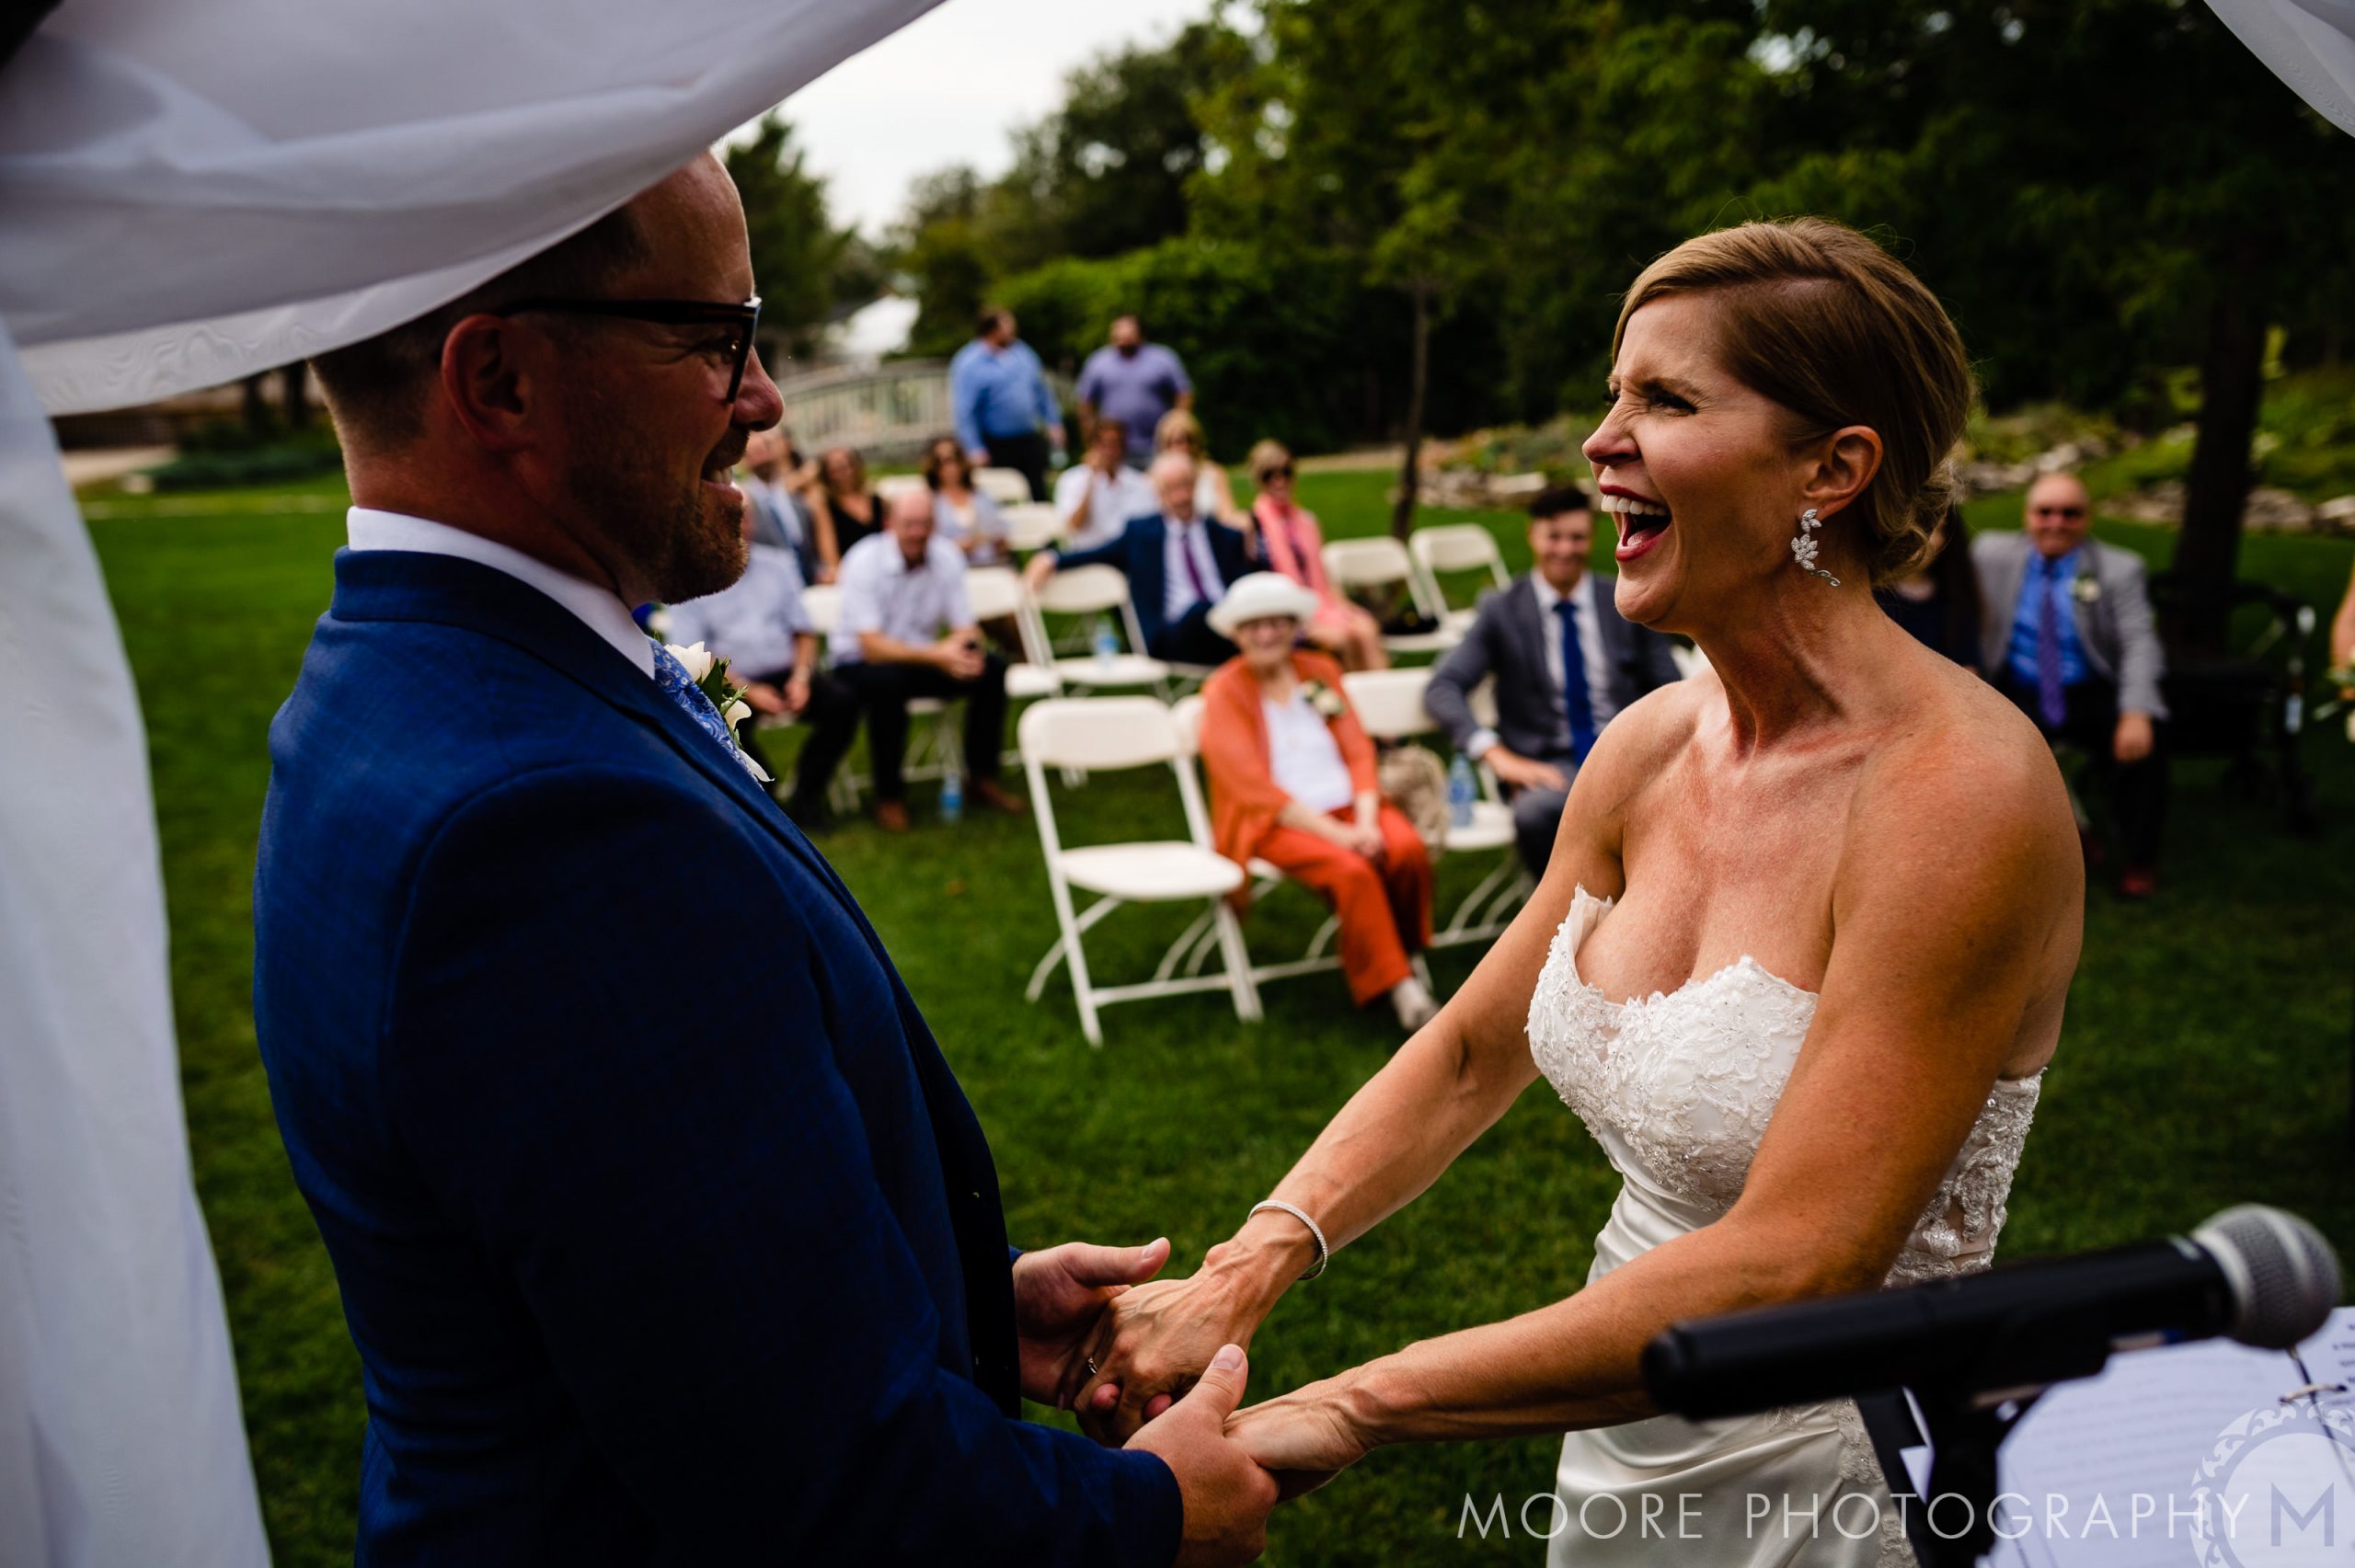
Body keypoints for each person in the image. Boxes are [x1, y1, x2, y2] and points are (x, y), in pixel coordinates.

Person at [257, 154, 1275, 1566]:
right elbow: (835, 1503)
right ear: (497, 383)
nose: (766, 400)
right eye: (715, 340)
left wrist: (959, 1299)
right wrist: (1157, 1516)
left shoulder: (392, 675)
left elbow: (628, 1253)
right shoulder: (546, 832)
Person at [1065, 217, 2081, 1568]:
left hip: (1846, 1463)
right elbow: (1475, 1048)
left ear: (1831, 470)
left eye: (1664, 400)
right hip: (1624, 1418)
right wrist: (1246, 1270)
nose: (1601, 442)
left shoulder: (1959, 798)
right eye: (1616, 392)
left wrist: (1352, 1405)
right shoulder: (1651, 745)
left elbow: (1797, 1261)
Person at [1197, 575, 1437, 1030]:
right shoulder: (1223, 691)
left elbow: (1358, 751)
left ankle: (1388, 953)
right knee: (1353, 872)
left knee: (1405, 850)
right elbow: (1252, 789)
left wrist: (1365, 819)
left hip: (1352, 808)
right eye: (1253, 626)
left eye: (1276, 623)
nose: (1266, 635)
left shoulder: (1319, 670)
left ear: (1292, 626)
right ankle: (1404, 990)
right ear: (1236, 633)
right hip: (1276, 822)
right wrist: (1340, 836)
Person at [1423, 486, 1683, 876]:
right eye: (1554, 537)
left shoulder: (1625, 600)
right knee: (1534, 814)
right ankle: (1563, 923)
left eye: (1577, 537)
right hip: (1548, 770)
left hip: (1626, 754)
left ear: (1592, 538)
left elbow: (1670, 686)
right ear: (1532, 536)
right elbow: (1443, 687)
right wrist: (1496, 755)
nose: (1565, 549)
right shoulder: (1502, 610)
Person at [1973, 472, 2169, 898]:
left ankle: (2138, 860)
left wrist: (2136, 712)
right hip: (2016, 689)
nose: (2056, 523)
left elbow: (2140, 642)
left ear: (2088, 518)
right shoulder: (1991, 553)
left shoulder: (2119, 568)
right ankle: (2054, 844)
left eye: (2070, 513)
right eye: (2045, 512)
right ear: (2026, 515)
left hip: (2088, 689)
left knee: (2144, 757)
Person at [825, 488, 1029, 832]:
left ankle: (981, 778)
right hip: (859, 662)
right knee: (888, 685)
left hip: (923, 658)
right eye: (909, 524)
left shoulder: (946, 556)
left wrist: (962, 650)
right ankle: (889, 795)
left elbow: (966, 627)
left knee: (990, 669)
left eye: (924, 524)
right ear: (890, 524)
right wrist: (939, 654)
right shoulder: (863, 560)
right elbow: (871, 645)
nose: (917, 532)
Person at [662, 501, 856, 829]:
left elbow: (803, 631)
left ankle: (807, 794)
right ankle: (768, 801)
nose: (740, 526)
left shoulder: (779, 564)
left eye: (745, 518)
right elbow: (691, 653)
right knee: (720, 726)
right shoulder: (689, 576)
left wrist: (801, 677)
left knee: (844, 703)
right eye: (730, 518)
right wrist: (747, 691)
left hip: (787, 671)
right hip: (725, 683)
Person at [1023, 451, 1255, 667]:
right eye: (1172, 489)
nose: (1182, 496)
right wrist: (1051, 558)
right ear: (1159, 493)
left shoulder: (1224, 536)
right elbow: (1095, 553)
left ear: (1195, 485)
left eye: (1186, 485)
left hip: (1229, 624)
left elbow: (1245, 581)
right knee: (1201, 613)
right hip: (1173, 632)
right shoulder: (1140, 534)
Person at [1246, 440, 1386, 672]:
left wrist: (1341, 605)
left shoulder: (1306, 521)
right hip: (1286, 612)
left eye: (1286, 472)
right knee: (1343, 640)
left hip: (1322, 603)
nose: (1279, 481)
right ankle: (1350, 703)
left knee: (1367, 630)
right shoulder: (1255, 526)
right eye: (1269, 475)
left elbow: (1324, 574)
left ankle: (1382, 697)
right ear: (1259, 481)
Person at [950, 306, 1063, 500]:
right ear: (992, 329)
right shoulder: (970, 362)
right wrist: (974, 448)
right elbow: (965, 410)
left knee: (1037, 492)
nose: (1013, 329)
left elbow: (1041, 390)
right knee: (1003, 495)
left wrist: (1054, 422)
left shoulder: (1022, 352)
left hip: (1028, 438)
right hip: (996, 444)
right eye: (1008, 324)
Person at [1078, 315, 1192, 469]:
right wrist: (1092, 442)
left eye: (1128, 331)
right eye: (1118, 331)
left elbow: (1183, 393)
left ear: (1140, 333)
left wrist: (1176, 426)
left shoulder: (1163, 358)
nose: (1122, 336)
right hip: (1114, 447)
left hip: (1157, 445)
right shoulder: (1098, 362)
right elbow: (1084, 402)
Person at [1876, 501, 1982, 667]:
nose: (1923, 538)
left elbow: (1969, 666)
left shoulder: (1955, 598)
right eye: (1915, 524)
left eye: (1934, 528)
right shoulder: (1869, 597)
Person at [1055, 415, 1156, 550]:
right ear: (1092, 445)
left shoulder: (1139, 482)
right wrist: (1091, 480)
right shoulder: (1071, 479)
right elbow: (1073, 526)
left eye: (1116, 443)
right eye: (1104, 444)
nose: (1110, 451)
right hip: (1088, 555)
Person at [741, 426, 821, 582]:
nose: (761, 458)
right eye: (754, 454)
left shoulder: (796, 494)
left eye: (764, 450)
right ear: (745, 461)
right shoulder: (745, 501)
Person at [926, 435, 1013, 566]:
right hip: (950, 570)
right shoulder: (930, 503)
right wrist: (958, 547)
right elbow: (926, 549)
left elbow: (1003, 541)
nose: (949, 467)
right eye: (942, 462)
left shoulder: (984, 497)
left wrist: (998, 541)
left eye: (954, 459)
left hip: (991, 566)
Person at [809, 443, 883, 582]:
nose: (845, 472)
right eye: (836, 469)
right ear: (827, 474)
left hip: (883, 571)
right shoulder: (825, 507)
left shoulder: (878, 500)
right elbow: (830, 558)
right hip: (851, 575)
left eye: (848, 465)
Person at [1154, 409, 1238, 530]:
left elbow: (1228, 515)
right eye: (1177, 441)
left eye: (1189, 440)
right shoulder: (1153, 478)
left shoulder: (1213, 473)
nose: (1184, 447)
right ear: (1165, 445)